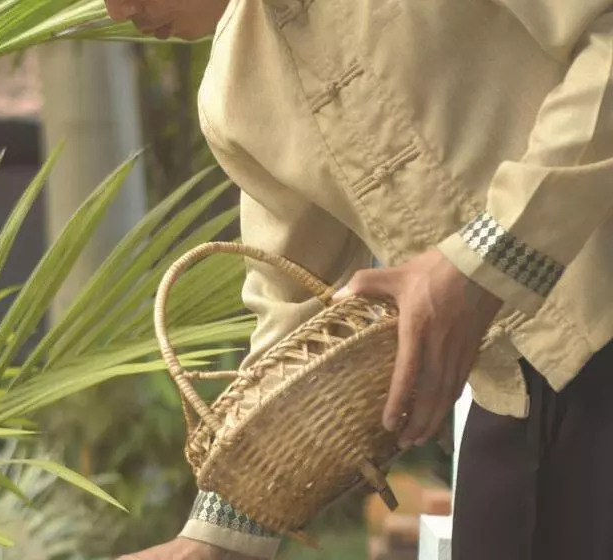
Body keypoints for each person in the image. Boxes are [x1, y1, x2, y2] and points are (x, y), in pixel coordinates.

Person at [106, 1, 613, 559]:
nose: (117, 10)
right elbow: (297, 312)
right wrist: (215, 538)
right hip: (509, 402)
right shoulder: (233, 98)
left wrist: (489, 260)